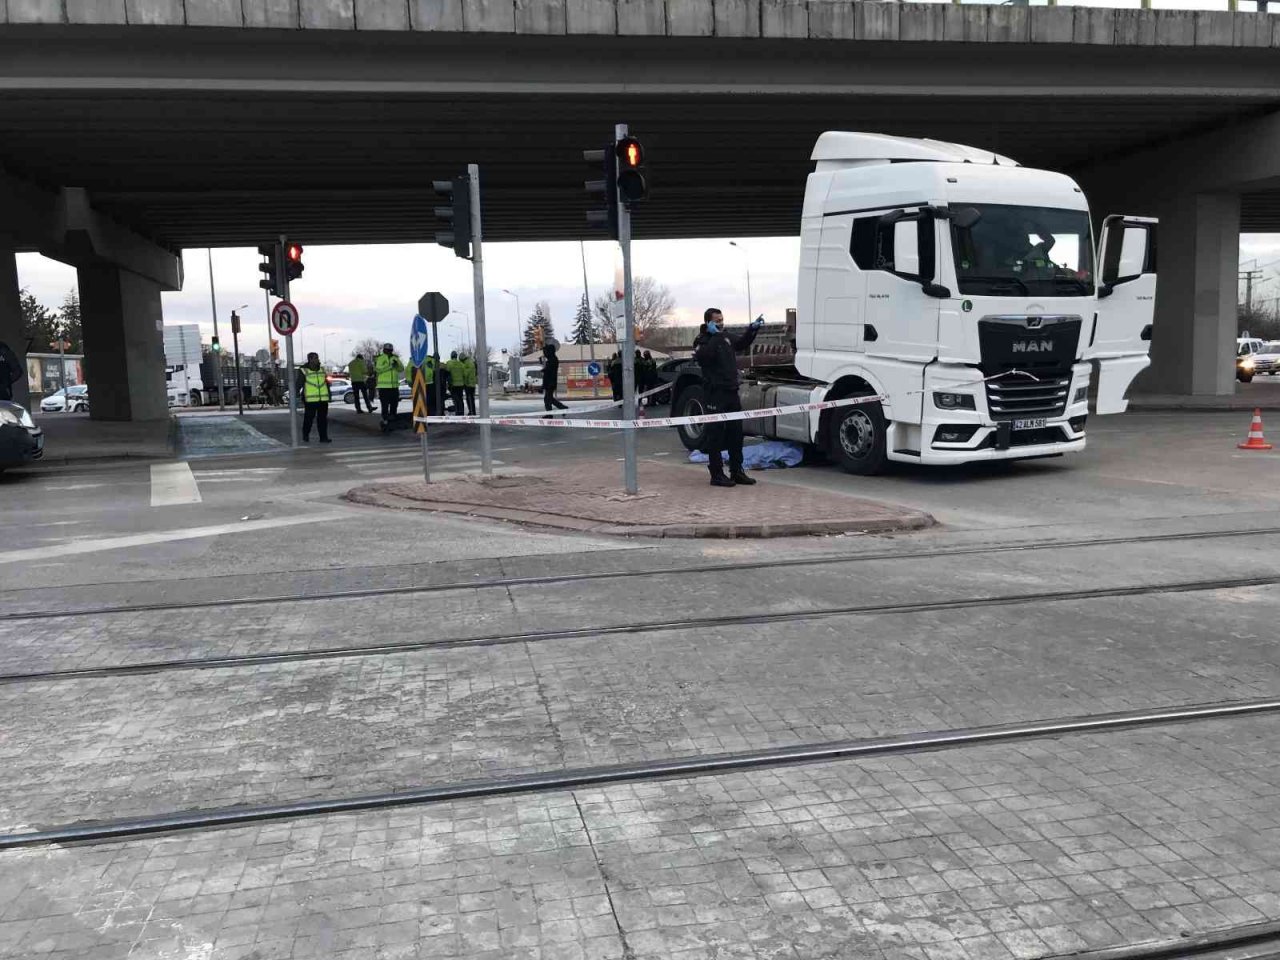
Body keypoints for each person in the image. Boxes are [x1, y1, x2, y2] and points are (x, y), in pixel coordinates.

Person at [695, 308, 764, 487]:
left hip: (731, 391)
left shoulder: (725, 337)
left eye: (722, 319)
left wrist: (752, 330)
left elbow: (741, 343)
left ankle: (737, 471)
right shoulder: (703, 340)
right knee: (715, 435)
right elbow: (704, 357)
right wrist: (715, 336)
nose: (721, 323)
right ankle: (716, 474)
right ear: (708, 322)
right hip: (715, 394)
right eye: (717, 320)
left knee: (736, 433)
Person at [295, 352, 332, 443]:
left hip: (323, 400)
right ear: (310, 359)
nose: (317, 360)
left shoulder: (322, 370)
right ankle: (306, 435)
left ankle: (323, 438)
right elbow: (299, 383)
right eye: (315, 358)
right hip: (310, 400)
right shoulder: (304, 370)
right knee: (309, 419)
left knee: (323, 420)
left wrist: (329, 395)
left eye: (317, 358)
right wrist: (296, 394)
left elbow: (326, 384)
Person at [374, 342, 404, 431]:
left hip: (394, 386)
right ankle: (385, 421)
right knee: (385, 405)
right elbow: (378, 369)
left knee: (394, 404)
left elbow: (401, 369)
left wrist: (397, 364)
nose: (389, 352)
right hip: (384, 387)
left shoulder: (395, 358)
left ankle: (393, 419)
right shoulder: (380, 358)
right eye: (387, 350)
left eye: (390, 350)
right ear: (384, 350)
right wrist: (390, 366)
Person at [542, 342, 568, 414]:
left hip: (550, 382)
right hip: (549, 382)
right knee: (549, 398)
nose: (545, 354)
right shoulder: (551, 359)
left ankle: (551, 413)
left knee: (547, 399)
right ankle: (562, 408)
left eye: (546, 352)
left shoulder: (553, 359)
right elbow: (548, 370)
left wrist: (545, 370)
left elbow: (550, 371)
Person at [445, 350, 466, 416]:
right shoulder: (461, 364)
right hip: (461, 384)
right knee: (460, 398)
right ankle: (461, 412)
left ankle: (457, 412)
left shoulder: (449, 363)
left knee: (455, 399)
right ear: (456, 356)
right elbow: (464, 374)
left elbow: (447, 373)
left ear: (451, 356)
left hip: (453, 385)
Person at [460, 352, 478, 416]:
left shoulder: (466, 364)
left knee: (469, 399)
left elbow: (465, 374)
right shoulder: (470, 362)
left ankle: (471, 412)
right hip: (472, 383)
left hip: (468, 384)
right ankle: (473, 411)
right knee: (471, 399)